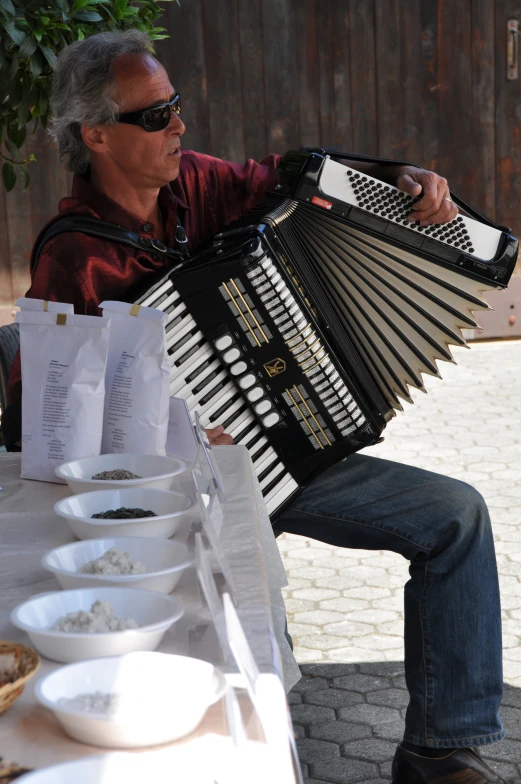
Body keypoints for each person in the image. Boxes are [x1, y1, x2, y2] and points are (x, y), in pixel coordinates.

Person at [1, 31, 505, 783]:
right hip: (173, 496)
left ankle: (439, 747)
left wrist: (399, 175)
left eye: (175, 106)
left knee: (454, 515)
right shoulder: (72, 258)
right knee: (248, 598)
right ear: (95, 136)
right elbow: (48, 426)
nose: (177, 126)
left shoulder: (197, 185)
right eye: (153, 117)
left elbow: (295, 173)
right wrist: (174, 423)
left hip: (285, 453)